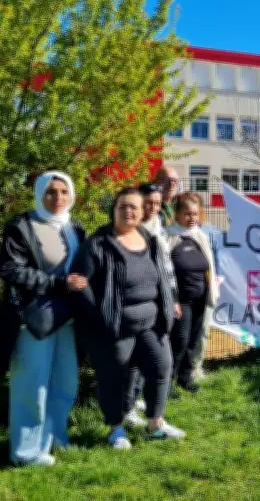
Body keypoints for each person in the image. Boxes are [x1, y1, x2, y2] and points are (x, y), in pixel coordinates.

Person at [72, 187, 184, 449]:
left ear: (143, 211)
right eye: (123, 206)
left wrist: (168, 305)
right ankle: (116, 429)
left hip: (152, 322)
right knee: (114, 376)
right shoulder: (97, 245)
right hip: (115, 326)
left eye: (134, 206)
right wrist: (101, 315)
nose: (128, 211)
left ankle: (155, 424)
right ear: (114, 209)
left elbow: (163, 279)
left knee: (161, 368)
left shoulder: (151, 240)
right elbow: (80, 284)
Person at [0, 172, 87, 466]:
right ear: (38, 194)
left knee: (65, 382)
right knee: (32, 387)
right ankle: (26, 452)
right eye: (49, 192)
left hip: (68, 318)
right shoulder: (21, 227)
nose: (57, 198)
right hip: (33, 319)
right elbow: (10, 270)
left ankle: (55, 438)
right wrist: (59, 284)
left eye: (63, 191)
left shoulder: (75, 227)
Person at [123, 183, 179, 428]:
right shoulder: (129, 231)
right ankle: (128, 405)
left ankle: (142, 403)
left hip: (159, 302)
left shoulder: (158, 229)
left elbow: (167, 268)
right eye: (148, 204)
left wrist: (173, 298)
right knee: (133, 359)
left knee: (154, 357)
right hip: (138, 305)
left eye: (157, 204)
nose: (153, 208)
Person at [166, 193, 219, 392]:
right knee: (178, 342)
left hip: (200, 299)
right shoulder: (168, 236)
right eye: (187, 214)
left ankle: (185, 378)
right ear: (177, 214)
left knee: (192, 341)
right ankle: (166, 383)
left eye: (195, 214)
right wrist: (172, 299)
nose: (192, 218)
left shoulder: (201, 236)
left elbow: (209, 266)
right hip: (180, 301)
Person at [186, 194, 223, 383]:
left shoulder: (212, 232)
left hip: (205, 289)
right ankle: (179, 369)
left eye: (196, 210)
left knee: (202, 330)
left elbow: (218, 260)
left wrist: (218, 280)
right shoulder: (175, 232)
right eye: (187, 210)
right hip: (183, 291)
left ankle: (196, 366)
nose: (192, 215)